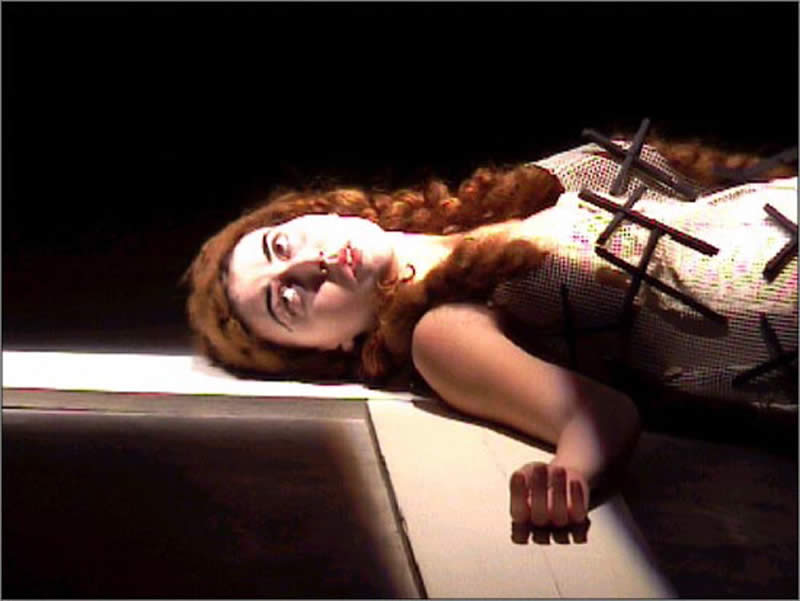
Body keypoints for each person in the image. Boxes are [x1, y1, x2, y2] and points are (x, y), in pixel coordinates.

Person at [185, 136, 798, 528]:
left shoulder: (512, 197)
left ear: (308, 213)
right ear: (332, 349)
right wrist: (567, 475)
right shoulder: (440, 334)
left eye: (281, 244)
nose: (307, 265)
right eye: (288, 299)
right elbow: (597, 418)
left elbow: (703, 178)